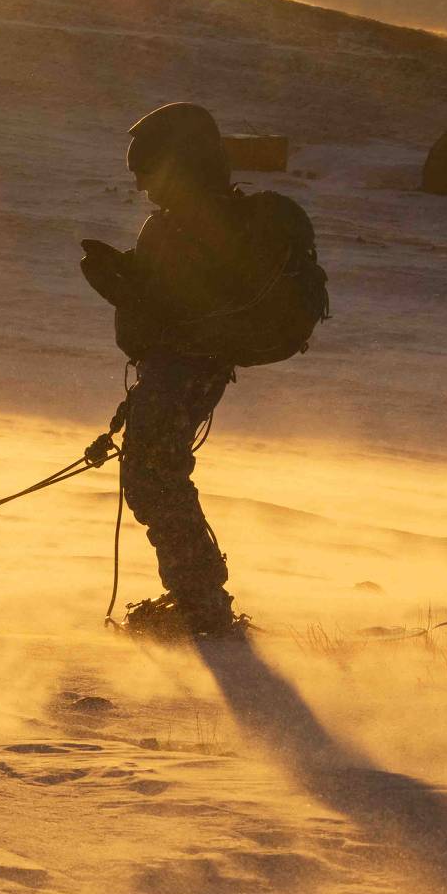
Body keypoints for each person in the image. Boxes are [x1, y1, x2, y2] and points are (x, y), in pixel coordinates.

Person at [78, 101, 320, 638]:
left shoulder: (195, 227)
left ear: (180, 164)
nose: (141, 184)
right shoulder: (183, 225)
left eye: (147, 170)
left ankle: (202, 609)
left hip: (183, 371)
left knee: (153, 477)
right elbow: (171, 298)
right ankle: (200, 601)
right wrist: (122, 275)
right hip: (179, 370)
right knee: (156, 476)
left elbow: (180, 310)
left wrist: (123, 287)